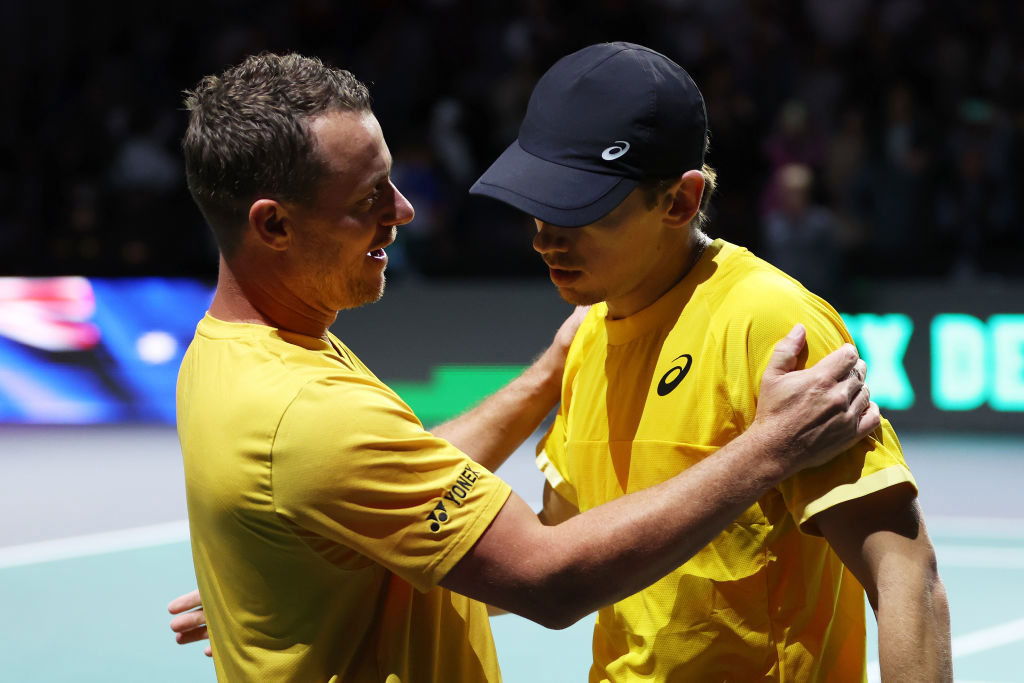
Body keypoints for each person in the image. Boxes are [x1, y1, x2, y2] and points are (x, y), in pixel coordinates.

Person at [169, 52, 879, 681]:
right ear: (274, 224)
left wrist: (314, 572)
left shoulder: (231, 353)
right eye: (368, 198)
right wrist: (770, 447)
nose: (404, 210)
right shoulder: (307, 412)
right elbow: (546, 577)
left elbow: (389, 467)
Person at [468, 42, 952, 681]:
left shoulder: (770, 323)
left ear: (679, 201)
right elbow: (556, 552)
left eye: (578, 208)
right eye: (537, 200)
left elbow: (906, 573)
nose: (545, 238)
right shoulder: (587, 338)